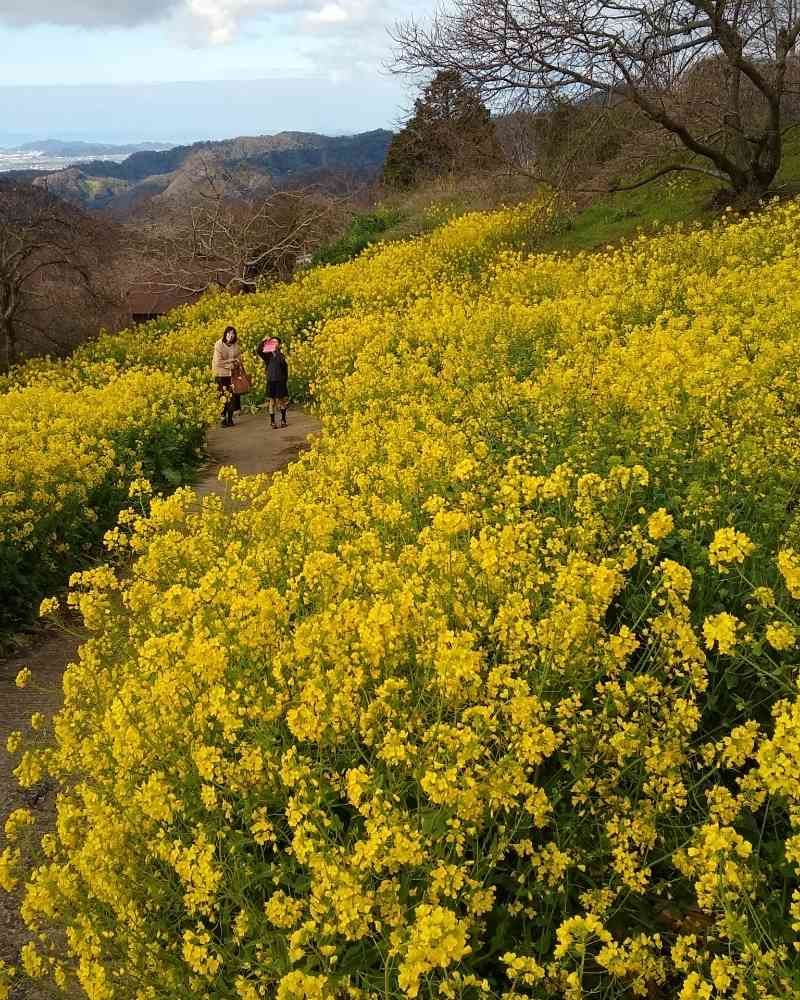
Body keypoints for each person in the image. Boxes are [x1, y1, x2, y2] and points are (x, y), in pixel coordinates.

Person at [257, 336, 290, 429]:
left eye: (276, 342)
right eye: (272, 342)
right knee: (271, 401)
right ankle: (272, 422)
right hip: (271, 381)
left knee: (281, 401)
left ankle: (283, 420)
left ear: (279, 345)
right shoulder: (267, 355)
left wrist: (285, 380)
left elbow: (285, 369)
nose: (274, 344)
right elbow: (259, 351)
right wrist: (263, 341)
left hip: (280, 381)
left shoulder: (281, 355)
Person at [212, 326, 242, 427]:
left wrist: (235, 364)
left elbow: (239, 359)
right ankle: (223, 419)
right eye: (229, 333)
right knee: (223, 397)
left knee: (232, 397)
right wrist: (230, 363)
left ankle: (230, 418)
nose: (231, 335)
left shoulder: (235, 345)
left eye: (233, 333)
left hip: (232, 375)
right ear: (225, 334)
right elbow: (218, 362)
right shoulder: (219, 345)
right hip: (221, 375)